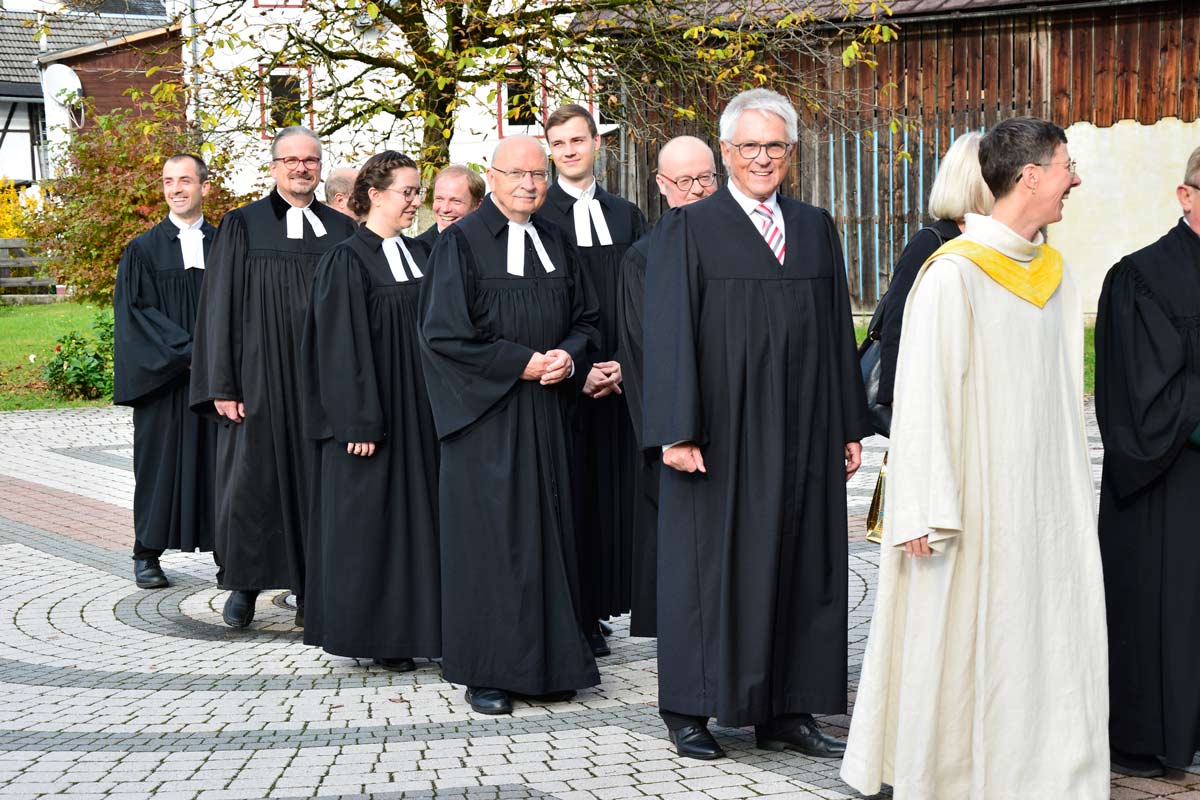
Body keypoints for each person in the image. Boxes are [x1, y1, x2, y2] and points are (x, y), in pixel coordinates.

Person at [840, 117, 1108, 799]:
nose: (1075, 180)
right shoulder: (953, 275)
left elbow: (1062, 401)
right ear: (1031, 177)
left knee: (1042, 630)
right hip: (972, 502)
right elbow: (923, 397)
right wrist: (921, 507)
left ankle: (1048, 771)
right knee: (964, 642)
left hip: (1043, 500)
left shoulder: (1056, 274)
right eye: (1067, 166)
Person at [642, 88, 870, 761]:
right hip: (721, 433)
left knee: (800, 558)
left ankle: (788, 709)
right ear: (726, 151)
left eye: (775, 146)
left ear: (792, 152)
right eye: (749, 146)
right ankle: (690, 709)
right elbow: (669, 332)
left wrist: (846, 423)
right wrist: (676, 430)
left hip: (803, 428)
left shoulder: (814, 226)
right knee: (710, 566)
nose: (762, 158)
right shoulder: (690, 227)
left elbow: (836, 329)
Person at [419, 134, 601, 716]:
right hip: (487, 421)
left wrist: (569, 356)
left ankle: (550, 665)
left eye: (538, 174)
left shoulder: (556, 237)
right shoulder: (461, 242)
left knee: (551, 535)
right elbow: (444, 335)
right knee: (493, 542)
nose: (529, 184)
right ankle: (488, 671)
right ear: (492, 178)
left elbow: (588, 318)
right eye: (517, 174)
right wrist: (519, 364)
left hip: (550, 414)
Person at [190, 126, 356, 629]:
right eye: (291, 160)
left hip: (321, 382)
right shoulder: (243, 224)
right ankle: (244, 584)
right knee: (251, 484)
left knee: (317, 485)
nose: (301, 168)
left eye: (310, 160)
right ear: (274, 167)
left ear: (320, 168)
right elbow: (218, 305)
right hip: (258, 379)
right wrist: (222, 384)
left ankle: (312, 589)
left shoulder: (342, 229)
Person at [301, 151, 440, 673]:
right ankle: (384, 634)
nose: (414, 201)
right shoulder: (347, 260)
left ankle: (426, 626)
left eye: (417, 191)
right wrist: (357, 420)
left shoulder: (421, 253)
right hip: (376, 414)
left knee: (420, 520)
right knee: (378, 524)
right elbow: (339, 347)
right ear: (375, 195)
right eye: (406, 192)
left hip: (422, 410)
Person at [1095, 145, 1200, 779]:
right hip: (1171, 480)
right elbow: (1143, 398)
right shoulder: (1142, 277)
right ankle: (1155, 735)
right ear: (1186, 195)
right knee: (1170, 608)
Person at [539, 103, 647, 657]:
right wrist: (579, 370)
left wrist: (627, 362)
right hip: (568, 381)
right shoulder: (539, 217)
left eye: (578, 140)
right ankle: (577, 614)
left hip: (623, 379)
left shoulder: (626, 215)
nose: (569, 151)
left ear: (597, 143)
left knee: (616, 497)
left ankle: (606, 606)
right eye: (559, 143)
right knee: (574, 495)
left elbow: (644, 298)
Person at [615, 135, 718, 638]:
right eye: (684, 180)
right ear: (661, 185)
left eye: (706, 178)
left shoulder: (740, 242)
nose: (697, 189)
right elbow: (643, 356)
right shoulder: (643, 257)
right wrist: (668, 435)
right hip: (678, 430)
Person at [113, 153, 219, 589]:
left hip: (217, 379)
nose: (176, 189)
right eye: (168, 181)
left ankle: (229, 554)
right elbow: (137, 314)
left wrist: (217, 357)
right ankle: (147, 552)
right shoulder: (143, 250)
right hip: (164, 380)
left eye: (185, 180)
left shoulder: (226, 245)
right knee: (157, 465)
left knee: (221, 466)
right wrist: (190, 351)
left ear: (204, 187)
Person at [869, 132, 993, 408]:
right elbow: (896, 322)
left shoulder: (997, 240)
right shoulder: (930, 243)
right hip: (933, 391)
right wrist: (895, 401)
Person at [415, 164, 485, 248]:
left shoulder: (493, 245)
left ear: (477, 205)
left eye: (456, 201)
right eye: (439, 199)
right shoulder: (418, 250)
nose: (445, 209)